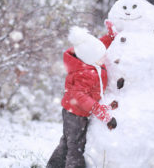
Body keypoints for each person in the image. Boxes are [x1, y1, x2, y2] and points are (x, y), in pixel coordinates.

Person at [47, 23, 118, 168]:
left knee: (68, 142)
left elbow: (98, 47)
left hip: (74, 111)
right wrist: (100, 111)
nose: (105, 56)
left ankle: (54, 165)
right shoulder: (84, 74)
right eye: (102, 56)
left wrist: (110, 37)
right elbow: (80, 97)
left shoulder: (88, 58)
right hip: (76, 114)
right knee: (76, 147)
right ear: (91, 59)